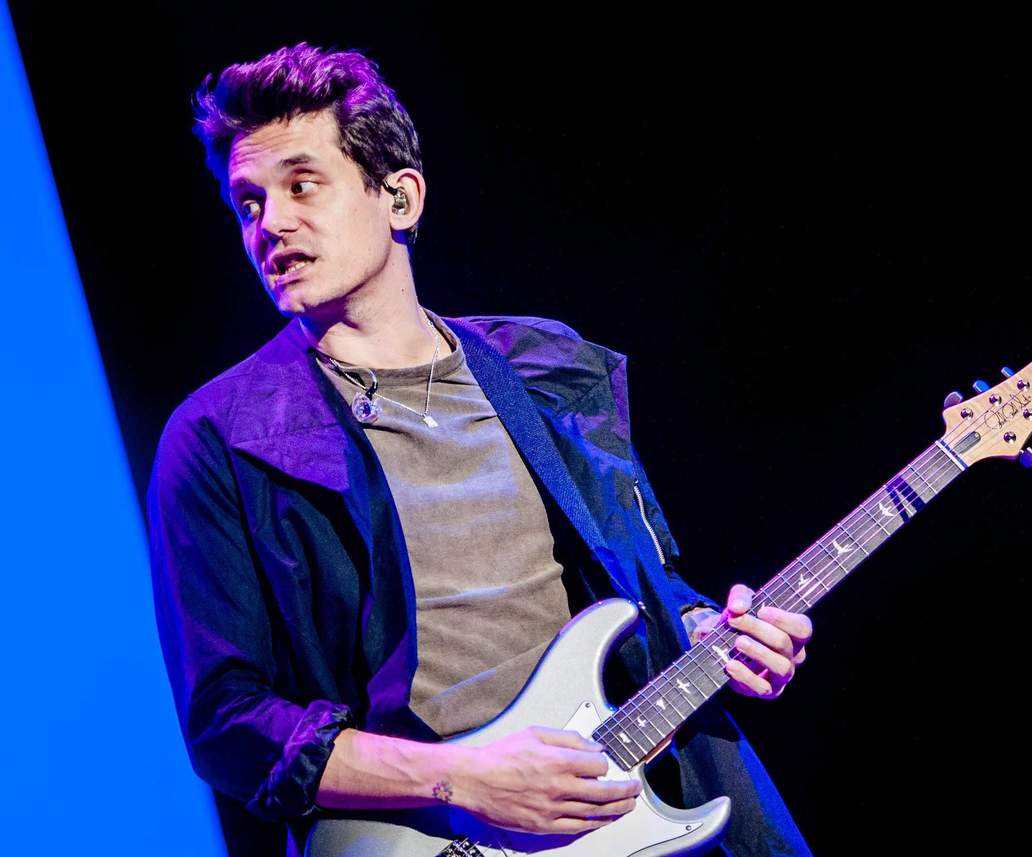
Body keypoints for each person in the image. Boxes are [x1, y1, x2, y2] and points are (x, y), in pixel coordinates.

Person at [148, 42, 813, 856]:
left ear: (399, 197)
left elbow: (642, 579)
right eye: (247, 202)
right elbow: (228, 720)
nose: (270, 223)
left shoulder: (547, 369)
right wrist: (464, 780)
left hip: (636, 798)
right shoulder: (222, 437)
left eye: (301, 184)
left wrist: (711, 629)